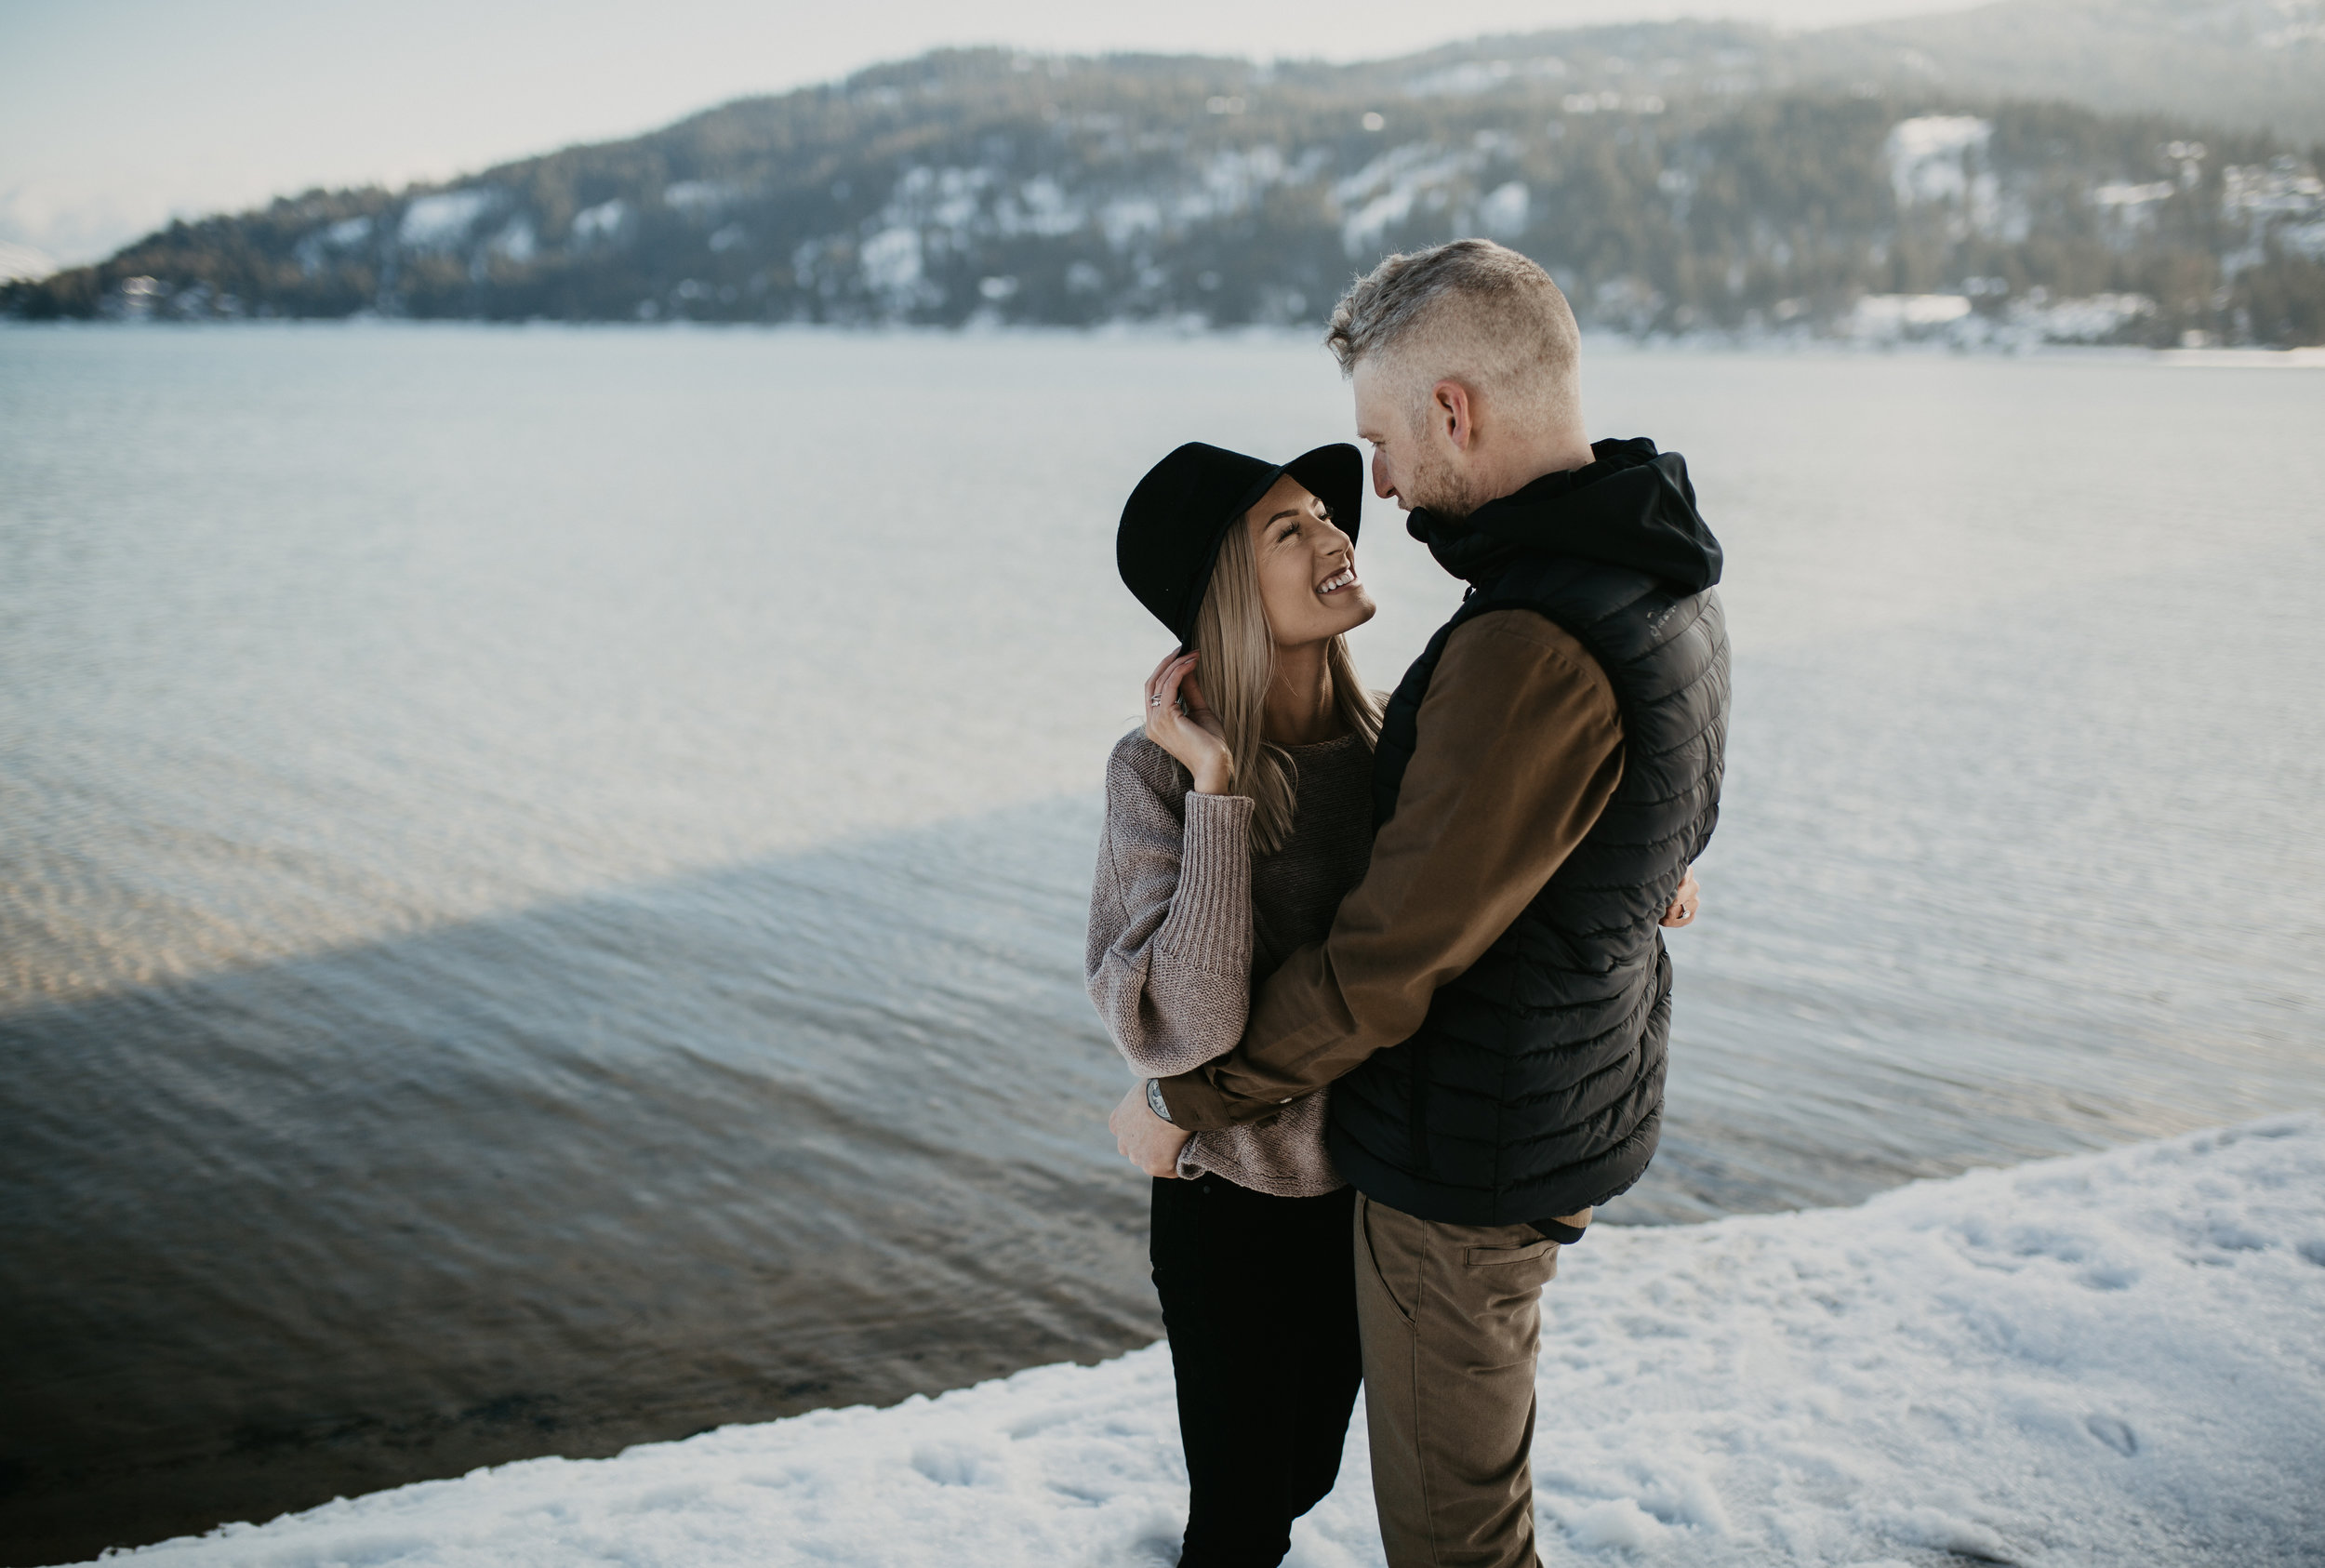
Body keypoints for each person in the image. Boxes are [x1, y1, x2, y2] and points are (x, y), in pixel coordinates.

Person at [1109, 239, 1730, 1568]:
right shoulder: (1648, 575)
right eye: (1302, 520)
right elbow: (1181, 1004)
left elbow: (1389, 951)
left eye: (1377, 447)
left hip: (1444, 1161)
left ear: (1454, 411)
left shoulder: (1508, 647)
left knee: (1443, 1531)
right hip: (1354, 1169)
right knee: (1261, 1499)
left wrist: (1185, 1103)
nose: (1370, 492)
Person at [1087, 438, 1381, 1568]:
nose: (1333, 536)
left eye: (1323, 514)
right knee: (1244, 1515)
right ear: (1223, 595)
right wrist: (1218, 791)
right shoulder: (1154, 772)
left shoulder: (1393, 744)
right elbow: (1185, 1023)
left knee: (1306, 1471)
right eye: (1289, 530)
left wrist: (1657, 867)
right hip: (1233, 1212)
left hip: (1371, 1193)